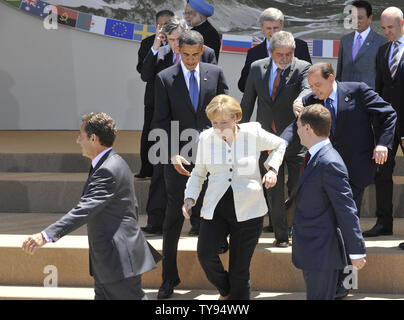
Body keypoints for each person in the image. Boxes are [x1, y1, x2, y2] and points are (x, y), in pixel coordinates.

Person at [282, 62, 396, 298]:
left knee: (344, 223)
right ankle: (337, 282)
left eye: (318, 85)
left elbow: (388, 113)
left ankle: (344, 283)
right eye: (311, 86)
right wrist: (279, 145)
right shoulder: (313, 101)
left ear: (331, 78)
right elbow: (296, 125)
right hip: (324, 173)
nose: (315, 90)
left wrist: (383, 142)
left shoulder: (357, 90)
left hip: (354, 171)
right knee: (332, 227)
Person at [21, 112, 161, 300]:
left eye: (81, 135)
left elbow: (84, 209)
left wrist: (46, 235)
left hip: (118, 262)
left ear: (93, 138)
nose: (78, 140)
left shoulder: (107, 170)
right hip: (108, 261)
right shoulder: (111, 162)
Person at [182, 94, 286, 300]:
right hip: (216, 208)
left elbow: (280, 144)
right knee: (206, 255)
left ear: (236, 117)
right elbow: (198, 173)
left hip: (249, 210)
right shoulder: (205, 138)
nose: (219, 128)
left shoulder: (253, 132)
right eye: (214, 123)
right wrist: (189, 198)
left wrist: (272, 169)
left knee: (239, 272)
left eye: (224, 122)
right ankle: (227, 291)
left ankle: (235, 293)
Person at [152, 30, 229, 299]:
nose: (191, 60)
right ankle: (168, 279)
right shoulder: (164, 78)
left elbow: (227, 112)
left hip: (213, 157)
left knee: (216, 212)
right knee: (173, 218)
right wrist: (172, 153)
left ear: (202, 50)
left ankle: (223, 282)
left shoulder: (215, 73)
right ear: (178, 51)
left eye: (196, 55)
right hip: (178, 159)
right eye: (185, 55)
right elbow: (160, 121)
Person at [140, 17, 216, 236]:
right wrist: (156, 46)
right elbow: (145, 75)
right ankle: (156, 222)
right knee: (160, 175)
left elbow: (210, 84)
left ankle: (199, 224)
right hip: (165, 122)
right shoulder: (161, 54)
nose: (175, 43)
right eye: (171, 39)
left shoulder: (206, 53)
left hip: (197, 125)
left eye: (178, 38)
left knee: (199, 173)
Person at [240, 31, 311, 246]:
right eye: (280, 54)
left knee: (298, 188)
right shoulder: (256, 68)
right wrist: (239, 132)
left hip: (295, 139)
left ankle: (295, 226)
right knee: (274, 192)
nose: (285, 59)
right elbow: (247, 102)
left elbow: (307, 89)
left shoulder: (302, 67)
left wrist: (300, 100)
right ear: (270, 52)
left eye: (289, 54)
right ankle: (281, 236)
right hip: (266, 140)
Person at [293, 104, 366, 300]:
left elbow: (346, 209)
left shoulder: (329, 162)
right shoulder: (314, 156)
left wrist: (356, 250)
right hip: (314, 250)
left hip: (323, 253)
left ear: (308, 128)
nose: (297, 131)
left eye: (298, 126)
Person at [363, 7, 404, 238]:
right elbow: (378, 90)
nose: (387, 32)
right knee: (382, 174)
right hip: (386, 127)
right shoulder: (382, 51)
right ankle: (383, 223)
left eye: (391, 27)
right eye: (384, 28)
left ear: (402, 24)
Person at [135, 9, 174, 179]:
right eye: (162, 24)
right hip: (153, 96)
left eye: (169, 24)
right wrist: (155, 48)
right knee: (149, 132)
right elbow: (142, 70)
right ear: (157, 25)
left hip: (174, 98)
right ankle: (146, 169)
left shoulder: (180, 43)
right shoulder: (148, 43)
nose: (166, 28)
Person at [238, 7, 312, 93]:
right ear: (262, 27)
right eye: (268, 28)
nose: (272, 32)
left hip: (295, 103)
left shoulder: (300, 47)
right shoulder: (254, 53)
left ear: (282, 26)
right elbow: (242, 85)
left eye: (275, 28)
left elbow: (310, 77)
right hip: (266, 104)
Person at [336, 0, 387, 89]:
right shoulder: (345, 40)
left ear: (370, 18)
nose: (356, 21)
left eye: (360, 18)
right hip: (345, 94)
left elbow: (383, 76)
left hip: (368, 96)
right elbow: (339, 72)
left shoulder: (381, 42)